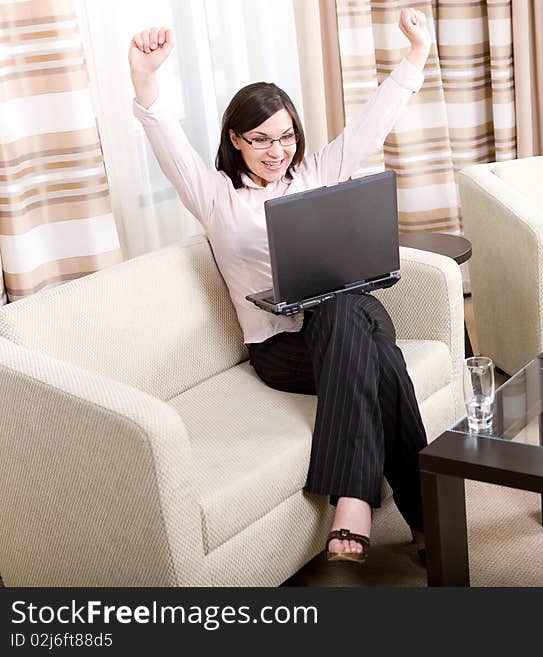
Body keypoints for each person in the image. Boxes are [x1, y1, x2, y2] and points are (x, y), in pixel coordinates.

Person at [128, 9, 432, 565]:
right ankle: (421, 519)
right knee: (378, 358)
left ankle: (354, 500)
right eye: (262, 140)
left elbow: (373, 122)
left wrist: (417, 54)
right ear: (236, 141)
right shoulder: (217, 197)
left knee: (346, 307)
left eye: (286, 135)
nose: (277, 151)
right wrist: (146, 78)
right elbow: (164, 136)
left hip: (347, 319)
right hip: (281, 347)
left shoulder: (317, 173)